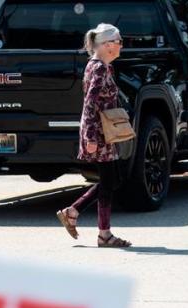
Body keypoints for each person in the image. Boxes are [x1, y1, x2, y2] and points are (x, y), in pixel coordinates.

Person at [56, 23, 131, 248]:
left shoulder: (101, 66)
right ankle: (102, 233)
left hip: (103, 133)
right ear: (108, 45)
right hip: (98, 133)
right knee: (109, 180)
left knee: (111, 180)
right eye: (119, 42)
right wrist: (89, 136)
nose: (121, 46)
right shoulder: (98, 68)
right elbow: (90, 102)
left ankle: (75, 213)